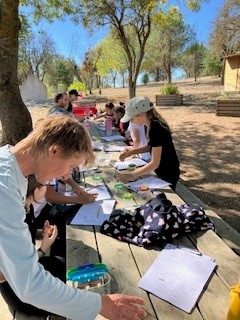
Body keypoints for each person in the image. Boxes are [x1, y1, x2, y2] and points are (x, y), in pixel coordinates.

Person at [0, 115, 146, 320]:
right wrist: (102, 304)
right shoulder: (4, 184)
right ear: (54, 151)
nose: (65, 175)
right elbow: (29, 284)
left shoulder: (14, 169)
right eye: (70, 166)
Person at [0, 175, 65, 317]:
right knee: (65, 271)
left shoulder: (24, 207)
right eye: (45, 186)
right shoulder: (12, 217)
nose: (48, 189)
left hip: (26, 279)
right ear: (36, 191)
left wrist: (41, 234)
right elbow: (6, 272)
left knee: (63, 264)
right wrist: (42, 249)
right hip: (20, 294)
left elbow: (24, 235)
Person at [117, 96, 180, 190]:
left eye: (131, 118)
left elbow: (155, 163)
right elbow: (151, 146)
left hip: (168, 172)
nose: (131, 121)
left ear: (141, 114)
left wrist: (132, 175)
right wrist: (132, 152)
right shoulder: (150, 124)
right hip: (161, 170)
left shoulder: (156, 128)